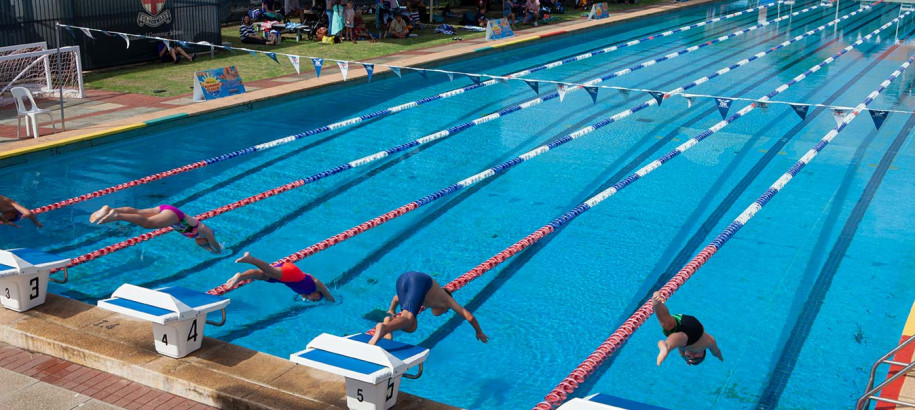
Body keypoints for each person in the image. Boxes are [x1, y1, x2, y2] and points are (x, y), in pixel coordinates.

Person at [368, 271, 488, 345]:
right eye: (446, 312)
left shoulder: (427, 299)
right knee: (408, 318)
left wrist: (392, 310)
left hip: (403, 278)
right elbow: (469, 316)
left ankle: (388, 326)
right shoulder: (447, 301)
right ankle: (384, 328)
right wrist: (479, 332)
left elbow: (396, 298)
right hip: (420, 280)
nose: (442, 312)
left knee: (411, 327)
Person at [89, 204, 222, 254]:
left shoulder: (197, 236)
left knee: (139, 211)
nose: (201, 245)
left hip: (168, 209)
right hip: (175, 215)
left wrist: (208, 249)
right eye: (204, 244)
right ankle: (117, 215)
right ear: (205, 240)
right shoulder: (205, 231)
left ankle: (109, 209)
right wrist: (219, 250)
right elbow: (215, 244)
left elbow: (208, 246)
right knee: (148, 224)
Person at [225, 252, 334, 302]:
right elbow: (322, 287)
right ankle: (251, 259)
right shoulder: (316, 286)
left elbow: (303, 297)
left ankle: (241, 276)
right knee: (270, 271)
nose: (313, 300)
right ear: (318, 293)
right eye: (316, 299)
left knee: (261, 276)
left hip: (286, 278)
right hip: (293, 273)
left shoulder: (304, 293)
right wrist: (330, 298)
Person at [652, 291, 723, 366]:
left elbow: (680, 350)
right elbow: (716, 351)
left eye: (689, 357)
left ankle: (657, 302)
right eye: (697, 358)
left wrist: (686, 359)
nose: (692, 356)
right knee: (682, 338)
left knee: (668, 326)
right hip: (695, 329)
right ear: (703, 353)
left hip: (680, 330)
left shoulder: (683, 352)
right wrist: (720, 357)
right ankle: (667, 346)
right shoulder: (708, 342)